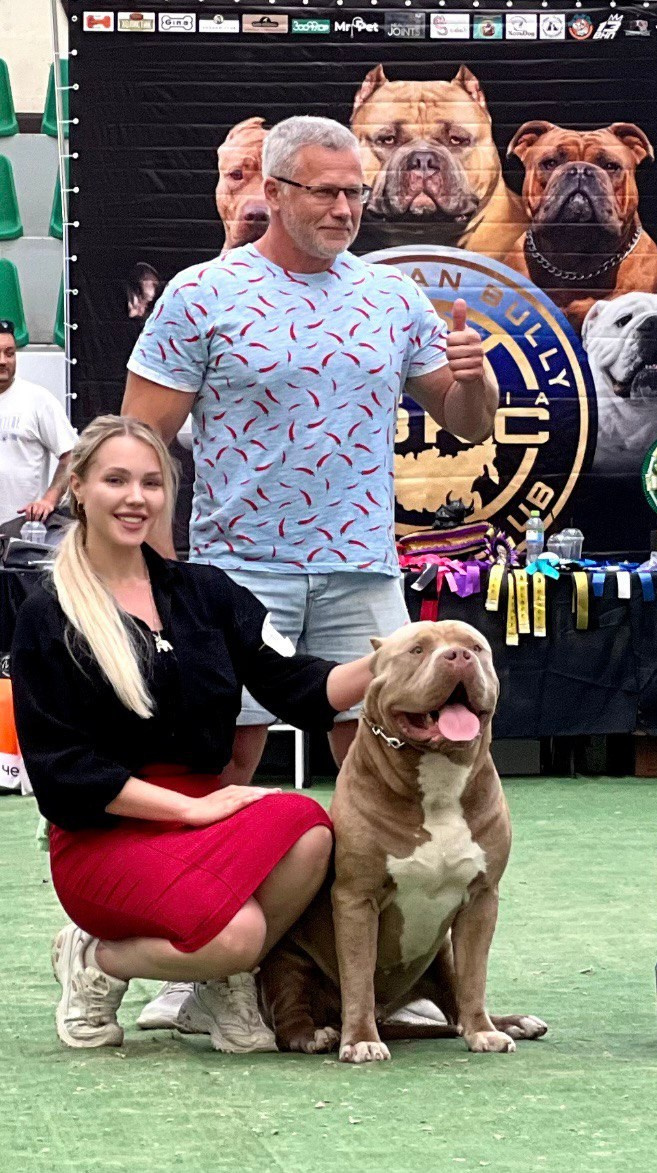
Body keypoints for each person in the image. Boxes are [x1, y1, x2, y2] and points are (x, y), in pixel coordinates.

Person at [121, 114, 496, 785]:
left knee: (386, 764)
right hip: (240, 569)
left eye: (355, 192)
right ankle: (212, 862)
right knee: (226, 758)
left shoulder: (393, 297)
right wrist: (157, 575)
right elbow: (138, 447)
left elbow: (468, 423)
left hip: (362, 568)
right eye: (325, 192)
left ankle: (369, 867)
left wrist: (475, 378)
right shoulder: (201, 294)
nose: (345, 209)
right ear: (273, 190)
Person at [11, 416, 380, 1052]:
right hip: (104, 832)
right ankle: (97, 960)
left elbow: (297, 684)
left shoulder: (207, 591)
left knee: (311, 831)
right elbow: (62, 769)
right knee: (238, 935)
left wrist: (394, 659)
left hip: (204, 814)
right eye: (116, 480)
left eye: (151, 483)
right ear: (78, 488)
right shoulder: (48, 612)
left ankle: (216, 983)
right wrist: (191, 808)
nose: (136, 498)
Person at [0, 319, 78, 524]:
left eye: (9, 353)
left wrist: (49, 500)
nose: (3, 361)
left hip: (22, 530)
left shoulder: (37, 400)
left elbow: (72, 454)